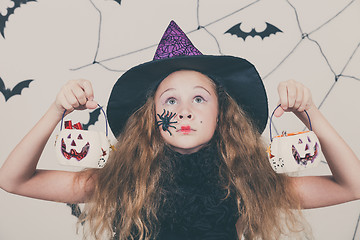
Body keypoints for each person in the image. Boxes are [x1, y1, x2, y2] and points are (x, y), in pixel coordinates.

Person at [1, 20, 360, 240]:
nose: (184, 110)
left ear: (222, 116)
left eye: (200, 99)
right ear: (151, 116)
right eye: (170, 101)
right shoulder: (122, 180)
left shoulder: (247, 183)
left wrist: (309, 112)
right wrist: (57, 110)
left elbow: (353, 185)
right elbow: (13, 179)